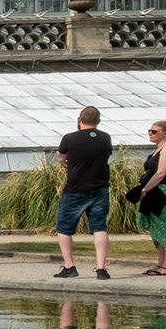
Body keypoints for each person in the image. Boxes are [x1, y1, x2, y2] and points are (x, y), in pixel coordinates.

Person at [55, 106, 112, 281]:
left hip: (75, 188)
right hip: (100, 187)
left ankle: (69, 266)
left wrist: (70, 163)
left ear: (79, 119)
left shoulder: (70, 138)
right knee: (99, 227)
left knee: (64, 228)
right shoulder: (105, 137)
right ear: (98, 121)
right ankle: (101, 268)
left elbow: (61, 157)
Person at [126, 120, 166, 275]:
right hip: (152, 190)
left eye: (154, 131)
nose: (150, 133)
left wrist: (145, 189)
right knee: (157, 227)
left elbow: (161, 173)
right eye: (149, 131)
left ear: (165, 133)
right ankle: (161, 263)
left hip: (162, 191)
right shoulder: (157, 150)